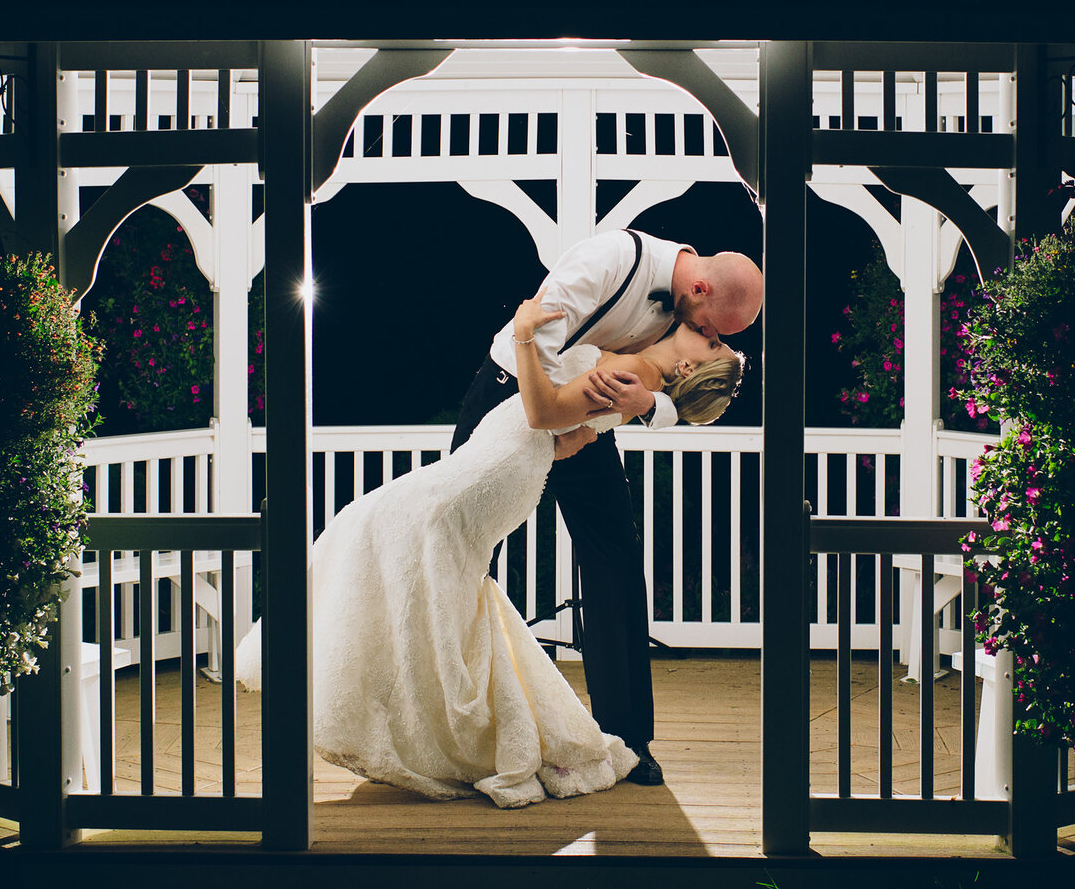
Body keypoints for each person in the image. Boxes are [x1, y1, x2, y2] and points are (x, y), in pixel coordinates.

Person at [235, 298, 745, 807]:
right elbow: (567, 432)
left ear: (686, 367)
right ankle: (433, 709)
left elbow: (542, 410)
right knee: (403, 546)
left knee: (377, 527)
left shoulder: (634, 369)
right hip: (512, 466)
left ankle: (427, 715)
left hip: (495, 469)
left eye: (713, 342)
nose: (708, 330)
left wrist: (522, 335)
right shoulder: (639, 372)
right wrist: (553, 438)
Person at [449, 232, 763, 786]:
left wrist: (644, 408)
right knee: (459, 552)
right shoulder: (609, 261)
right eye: (715, 330)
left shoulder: (691, 313)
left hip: (591, 408)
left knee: (615, 553)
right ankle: (455, 716)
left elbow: (689, 390)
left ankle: (627, 738)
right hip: (513, 396)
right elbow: (540, 351)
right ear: (699, 287)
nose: (710, 337)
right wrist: (562, 430)